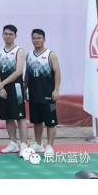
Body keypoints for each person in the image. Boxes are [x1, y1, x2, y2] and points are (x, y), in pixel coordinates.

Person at [25, 28, 60, 157]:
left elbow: (57, 72)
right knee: (37, 120)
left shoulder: (50, 54)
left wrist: (56, 90)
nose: (36, 40)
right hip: (34, 93)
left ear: (44, 39)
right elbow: (27, 74)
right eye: (34, 38)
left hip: (48, 94)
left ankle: (50, 146)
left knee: (50, 122)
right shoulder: (29, 55)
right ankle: (38, 143)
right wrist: (24, 88)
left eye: (39, 38)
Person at [0, 24, 28, 153]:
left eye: (11, 34)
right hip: (3, 89)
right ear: (2, 35)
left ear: (15, 36)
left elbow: (18, 71)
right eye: (6, 34)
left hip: (16, 88)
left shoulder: (19, 51)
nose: (8, 36)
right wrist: (0, 87)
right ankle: (13, 143)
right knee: (8, 117)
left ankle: (24, 145)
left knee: (20, 117)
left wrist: (2, 84)